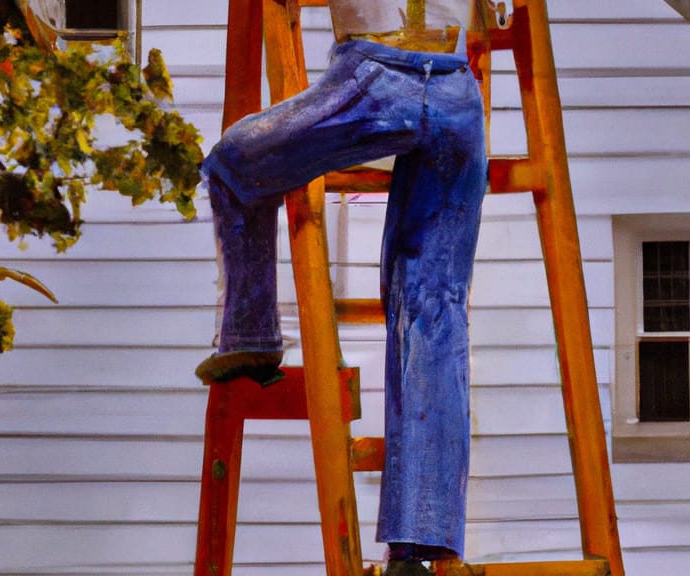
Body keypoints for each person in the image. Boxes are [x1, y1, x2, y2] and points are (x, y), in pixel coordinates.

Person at [196, 2, 488, 573]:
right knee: (434, 308)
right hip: (457, 94)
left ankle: (249, 335)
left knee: (233, 164)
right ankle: (417, 548)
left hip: (375, 80)